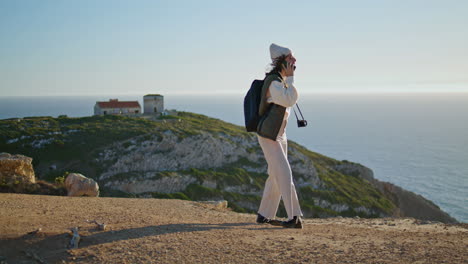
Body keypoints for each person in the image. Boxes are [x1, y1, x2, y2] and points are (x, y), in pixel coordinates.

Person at [255, 43, 303, 229]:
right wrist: (291, 79)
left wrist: (289, 79)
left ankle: (264, 214)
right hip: (270, 136)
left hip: (278, 135)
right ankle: (294, 216)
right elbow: (289, 99)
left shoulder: (279, 80)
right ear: (281, 61)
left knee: (275, 174)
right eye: (290, 57)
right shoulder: (275, 82)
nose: (294, 60)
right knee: (284, 173)